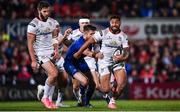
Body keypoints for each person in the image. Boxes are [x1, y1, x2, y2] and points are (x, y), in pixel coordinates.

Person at [74, 15, 129, 109]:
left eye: (117, 22)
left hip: (117, 62)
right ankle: (109, 89)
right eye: (113, 22)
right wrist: (79, 52)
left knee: (122, 84)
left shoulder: (123, 36)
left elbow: (127, 53)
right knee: (106, 89)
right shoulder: (103, 33)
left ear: (120, 23)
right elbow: (88, 42)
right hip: (104, 61)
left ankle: (112, 101)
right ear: (110, 23)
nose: (115, 24)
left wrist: (122, 58)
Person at [27, 1, 68, 109]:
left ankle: (48, 98)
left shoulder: (53, 22)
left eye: (48, 11)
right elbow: (30, 44)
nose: (47, 13)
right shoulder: (33, 24)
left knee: (59, 78)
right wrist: (33, 60)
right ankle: (45, 98)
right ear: (39, 10)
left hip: (51, 52)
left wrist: (55, 50)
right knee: (53, 74)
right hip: (41, 54)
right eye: (44, 11)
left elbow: (54, 38)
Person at [64, 17, 100, 106]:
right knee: (84, 81)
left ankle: (86, 103)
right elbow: (87, 52)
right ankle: (82, 100)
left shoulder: (90, 40)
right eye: (92, 34)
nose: (93, 36)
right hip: (70, 63)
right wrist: (97, 55)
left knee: (92, 84)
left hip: (80, 61)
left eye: (94, 34)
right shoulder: (80, 43)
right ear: (85, 33)